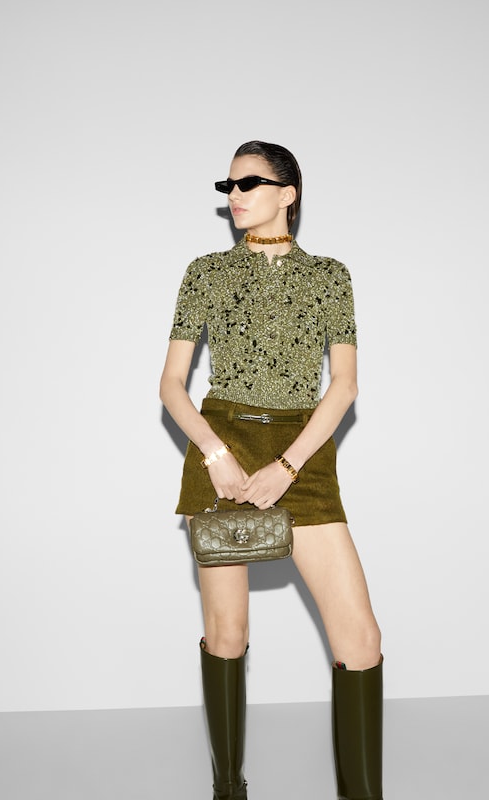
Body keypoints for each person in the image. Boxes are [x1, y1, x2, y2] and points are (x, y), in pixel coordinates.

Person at [159, 140, 384, 800]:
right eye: (227, 185)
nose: (234, 195)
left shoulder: (330, 276)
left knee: (360, 641)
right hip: (221, 443)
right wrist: (216, 455)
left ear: (289, 193)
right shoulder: (205, 272)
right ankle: (229, 790)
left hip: (302, 452)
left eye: (249, 183)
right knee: (227, 634)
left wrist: (288, 465)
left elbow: (343, 386)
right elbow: (171, 385)